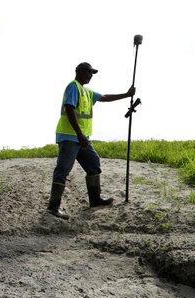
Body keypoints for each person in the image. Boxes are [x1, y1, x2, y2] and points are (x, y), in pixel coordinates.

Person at [46, 61, 136, 219]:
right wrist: (80, 134)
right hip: (70, 137)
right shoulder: (73, 86)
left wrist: (127, 95)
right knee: (63, 169)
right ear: (79, 71)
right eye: (88, 72)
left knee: (93, 164)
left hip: (82, 139)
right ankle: (53, 206)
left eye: (92, 73)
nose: (90, 76)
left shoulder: (87, 92)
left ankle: (95, 200)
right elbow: (70, 109)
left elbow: (105, 97)